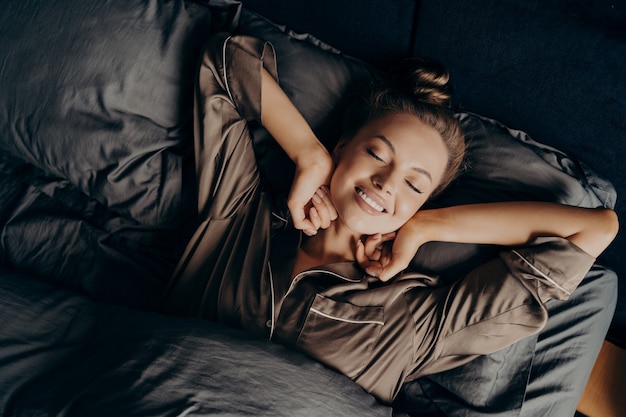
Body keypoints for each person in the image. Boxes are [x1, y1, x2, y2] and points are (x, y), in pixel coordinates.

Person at [162, 34, 618, 404]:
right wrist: (308, 156)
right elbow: (222, 60)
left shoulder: (416, 321)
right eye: (376, 154)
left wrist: (428, 228)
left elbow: (595, 228)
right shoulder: (240, 215)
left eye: (415, 186)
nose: (386, 183)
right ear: (342, 148)